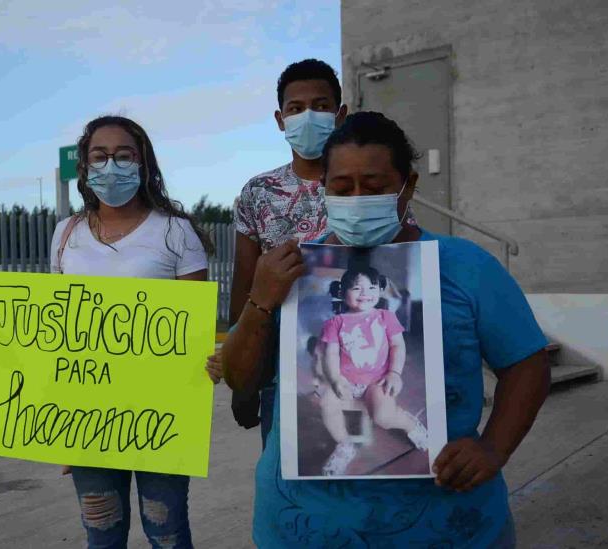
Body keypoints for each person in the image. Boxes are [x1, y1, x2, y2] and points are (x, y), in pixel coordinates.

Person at [222, 111, 550, 547]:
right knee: (339, 411)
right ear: (324, 188)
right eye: (342, 188)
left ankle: (410, 431)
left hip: (447, 525)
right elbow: (240, 379)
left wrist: (493, 448)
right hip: (300, 527)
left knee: (384, 406)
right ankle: (345, 447)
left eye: (374, 188)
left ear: (407, 186)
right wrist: (261, 298)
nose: (357, 198)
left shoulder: (464, 266)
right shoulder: (291, 269)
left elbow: (527, 363)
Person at [0, 115, 222, 549]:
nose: (111, 165)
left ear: (143, 164)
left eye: (124, 156)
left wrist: (212, 359)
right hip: (89, 420)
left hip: (160, 415)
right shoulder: (65, 235)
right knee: (101, 535)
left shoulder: (176, 231)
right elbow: (53, 329)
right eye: (100, 156)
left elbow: (195, 329)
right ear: (84, 167)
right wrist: (0, 353)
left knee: (168, 533)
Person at [228, 58, 347, 444]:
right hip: (282, 377)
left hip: (357, 366)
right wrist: (243, 382)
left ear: (341, 114)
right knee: (289, 491)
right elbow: (244, 288)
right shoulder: (258, 192)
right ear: (281, 120)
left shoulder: (370, 187)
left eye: (321, 105)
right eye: (296, 109)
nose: (308, 116)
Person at [319, 265, 428, 476]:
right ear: (342, 292)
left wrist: (394, 373)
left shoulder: (386, 317)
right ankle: (346, 444)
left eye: (371, 287)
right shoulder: (335, 323)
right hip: (347, 381)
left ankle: (410, 425)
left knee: (383, 417)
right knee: (328, 404)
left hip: (378, 380)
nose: (365, 293)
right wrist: (336, 379)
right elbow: (331, 354)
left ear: (379, 290)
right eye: (357, 288)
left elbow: (398, 346)